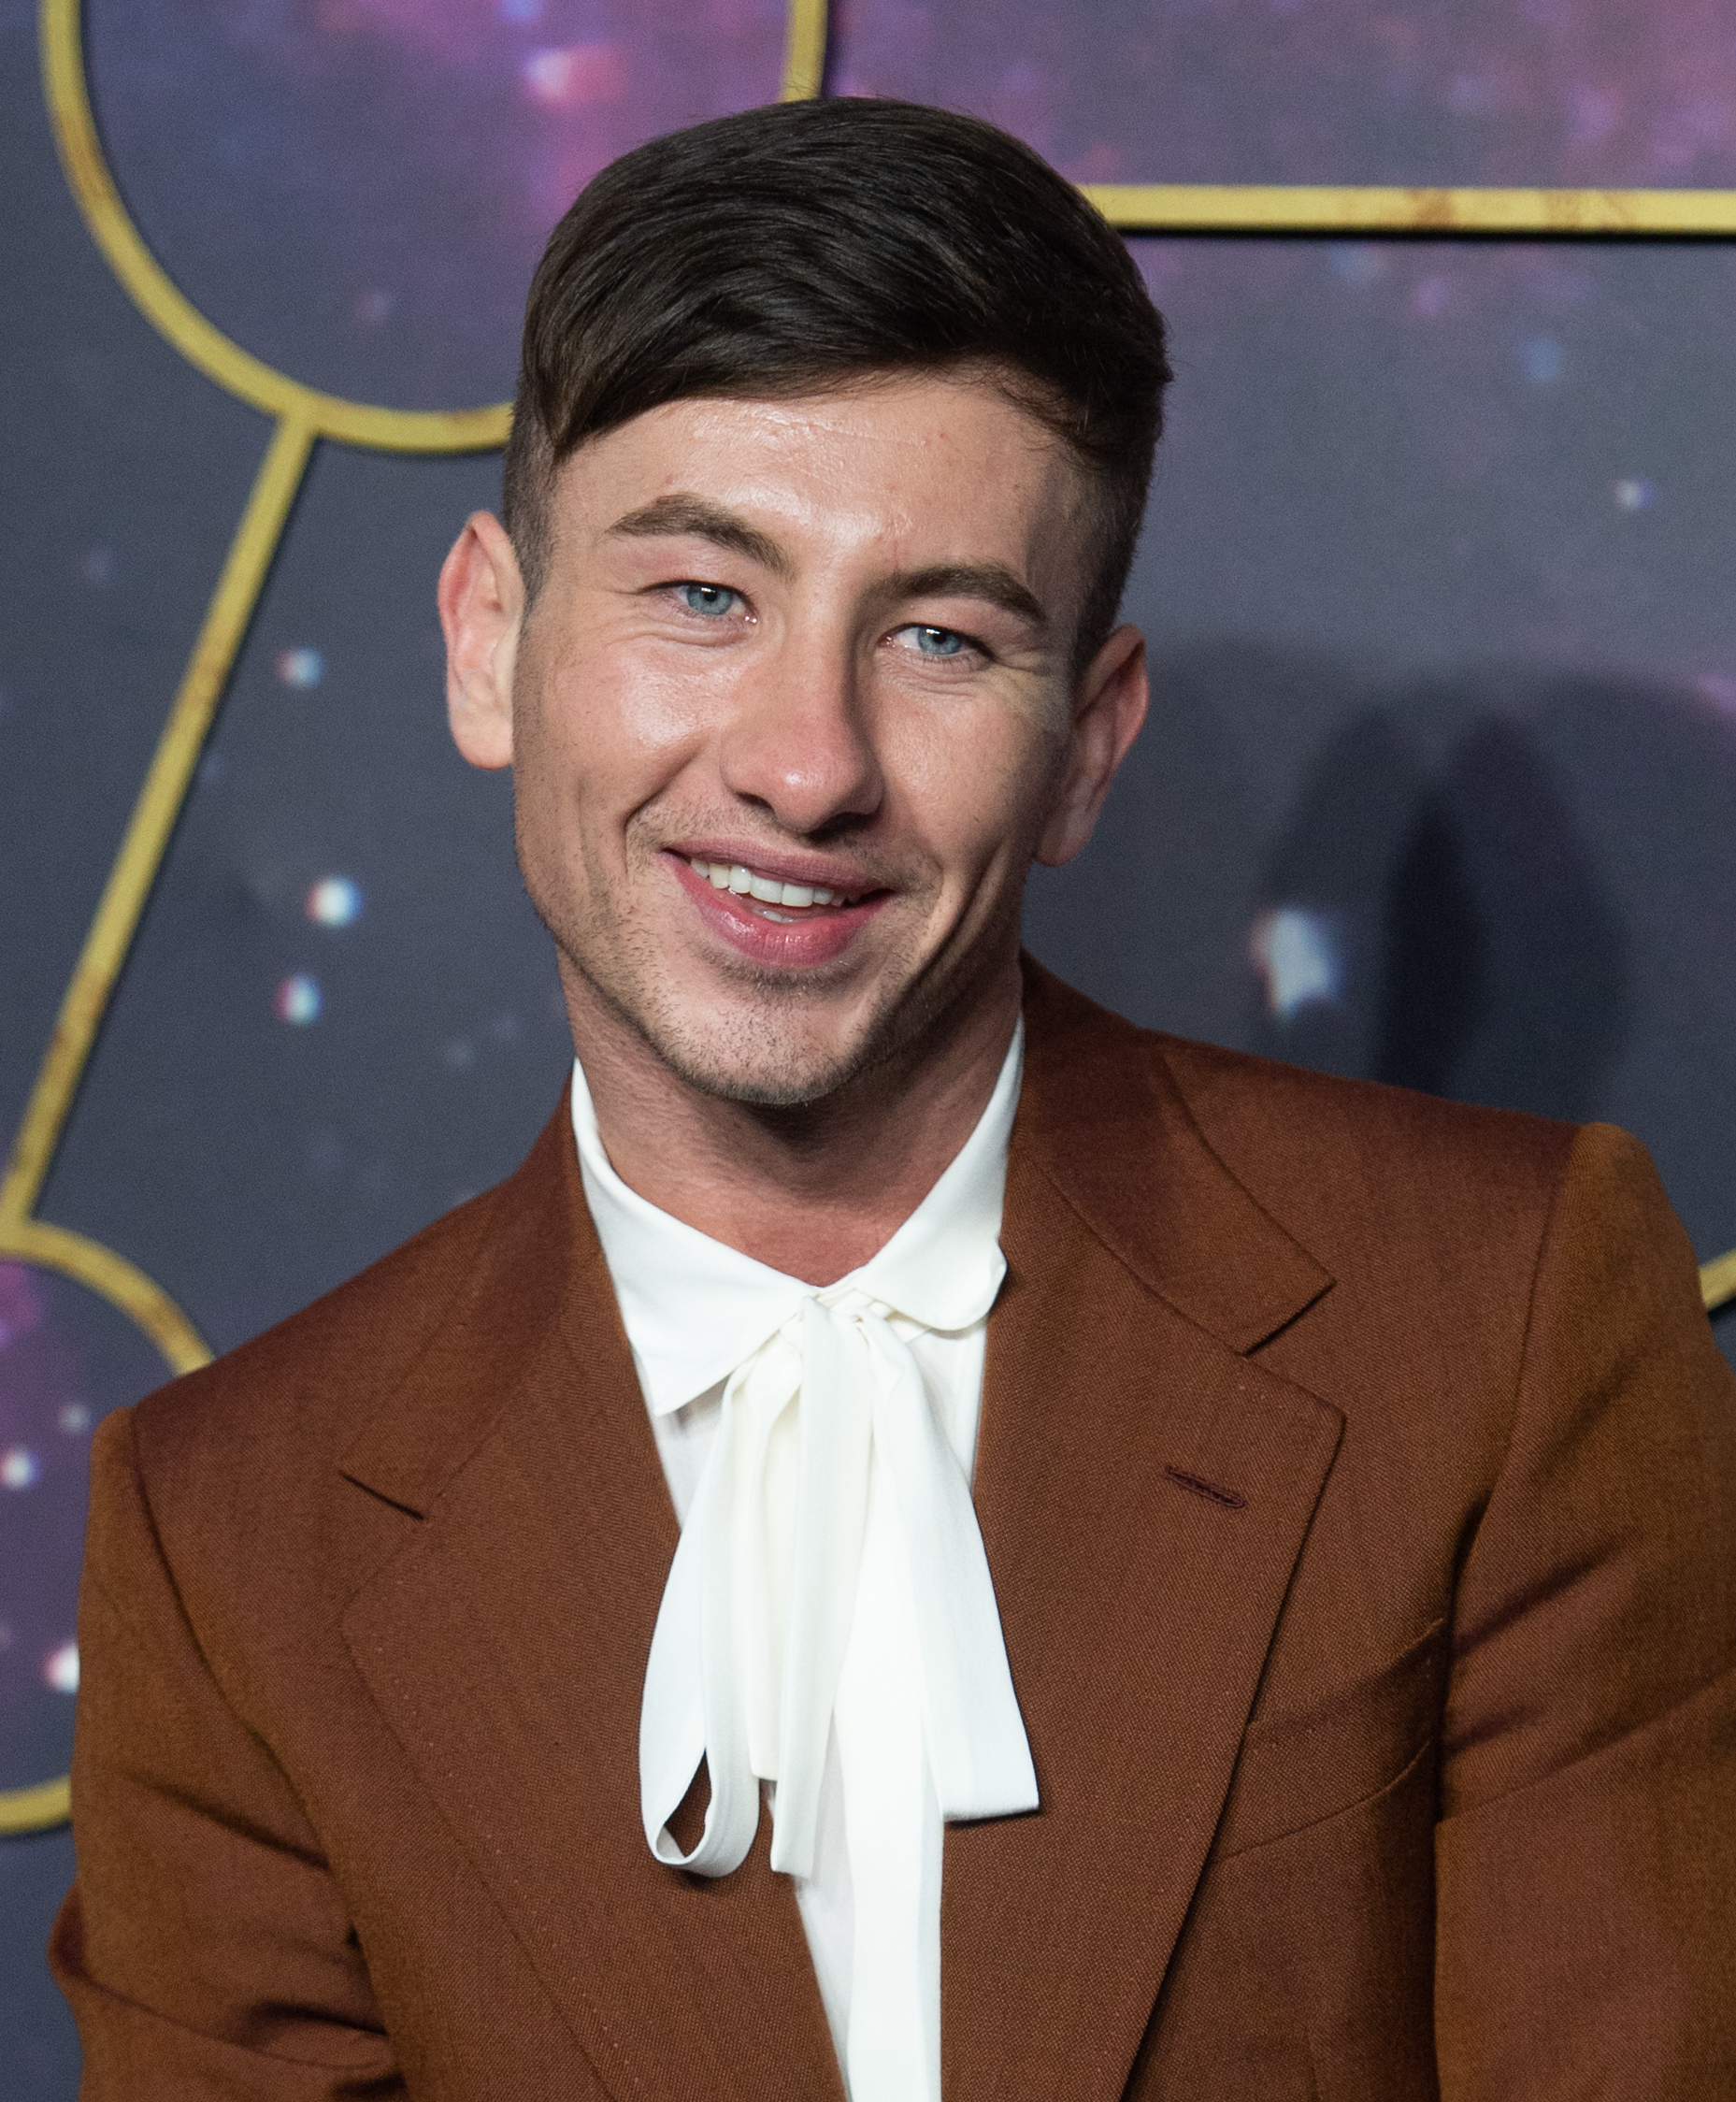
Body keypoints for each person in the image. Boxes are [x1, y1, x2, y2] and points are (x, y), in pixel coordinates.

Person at [50, 96, 1736, 2101]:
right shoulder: (228, 1532)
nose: (802, 759)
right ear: (490, 641)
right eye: (699, 594)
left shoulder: (1502, 1312)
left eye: (937, 634)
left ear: (1085, 746)